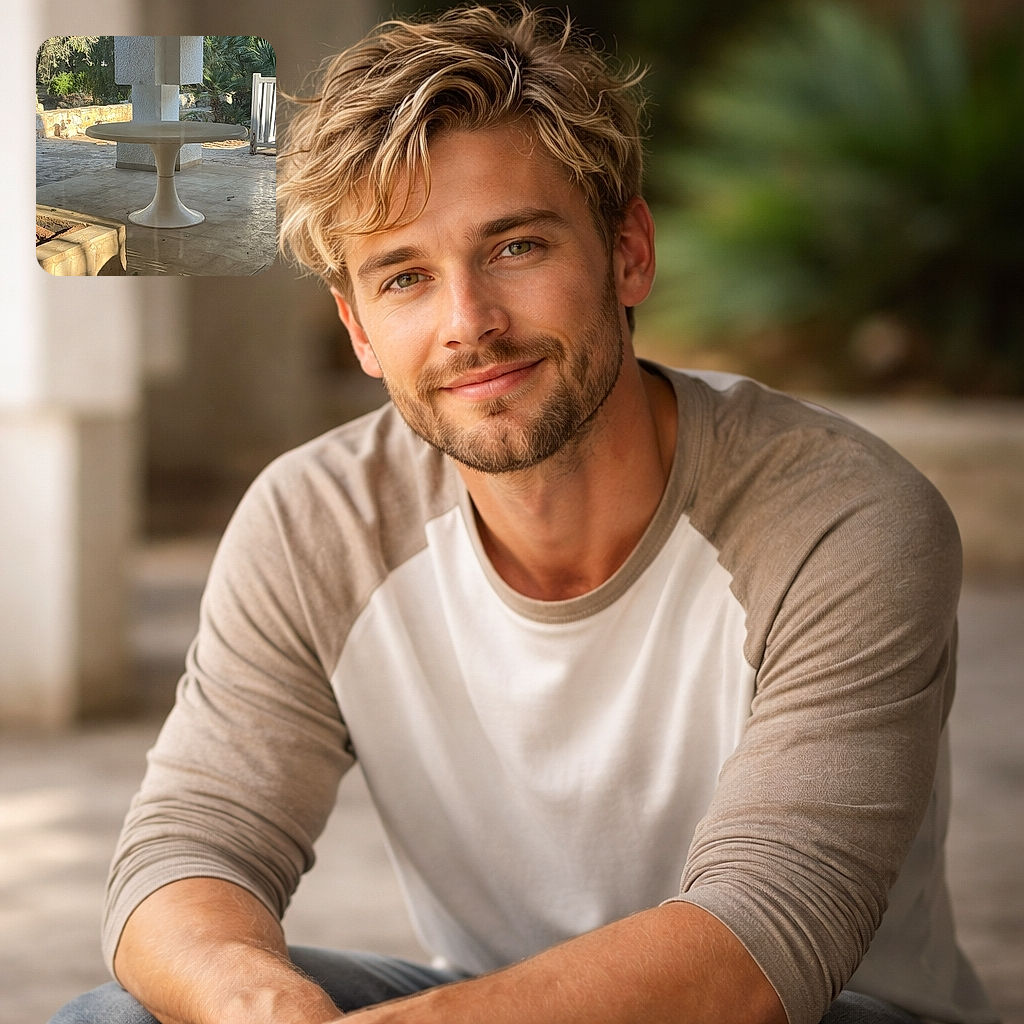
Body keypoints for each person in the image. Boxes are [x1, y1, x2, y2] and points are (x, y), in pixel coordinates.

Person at [53, 6, 997, 1024]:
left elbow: (759, 940)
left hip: (809, 1006)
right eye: (404, 275)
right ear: (358, 326)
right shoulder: (315, 519)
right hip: (501, 1005)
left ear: (627, 252)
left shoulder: (842, 517)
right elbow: (186, 849)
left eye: (514, 246)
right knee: (125, 1016)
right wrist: (264, 1009)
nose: (469, 324)